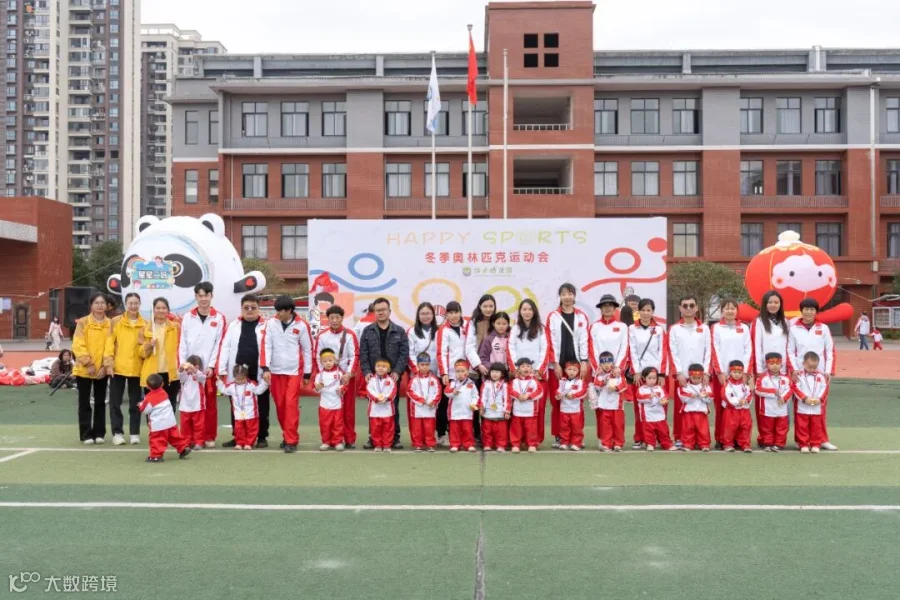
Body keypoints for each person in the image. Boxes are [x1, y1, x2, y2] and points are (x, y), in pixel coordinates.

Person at [261, 295, 313, 454]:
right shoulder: (271, 323)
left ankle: (291, 440)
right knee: (280, 406)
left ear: (289, 310)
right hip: (276, 371)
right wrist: (265, 368)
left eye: (280, 311)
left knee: (290, 405)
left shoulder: (302, 325)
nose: (277, 314)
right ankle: (287, 435)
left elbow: (308, 349)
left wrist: (307, 373)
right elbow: (266, 345)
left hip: (293, 372)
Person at [177, 282, 226, 449]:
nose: (203, 299)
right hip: (189, 370)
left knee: (209, 404)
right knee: (190, 405)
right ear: (196, 297)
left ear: (212, 296)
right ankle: (190, 438)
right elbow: (182, 342)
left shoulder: (218, 318)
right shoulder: (187, 317)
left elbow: (219, 344)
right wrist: (184, 364)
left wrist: (211, 366)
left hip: (207, 370)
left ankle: (208, 436)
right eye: (200, 295)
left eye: (206, 295)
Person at [218, 294, 270, 449]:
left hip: (259, 372)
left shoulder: (267, 326)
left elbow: (270, 348)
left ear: (259, 309)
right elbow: (225, 347)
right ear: (241, 309)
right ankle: (238, 437)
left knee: (262, 405)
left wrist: (267, 368)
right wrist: (221, 369)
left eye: (253, 307)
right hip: (238, 373)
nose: (250, 310)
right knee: (237, 404)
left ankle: (261, 436)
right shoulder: (233, 325)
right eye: (246, 307)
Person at [359, 297, 409, 450]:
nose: (380, 312)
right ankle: (373, 438)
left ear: (389, 311)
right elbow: (363, 353)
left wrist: (397, 371)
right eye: (377, 310)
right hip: (373, 378)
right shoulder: (367, 331)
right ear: (374, 312)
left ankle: (394, 437)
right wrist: (367, 371)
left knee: (393, 406)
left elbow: (403, 354)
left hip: (392, 377)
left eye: (383, 310)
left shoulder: (399, 331)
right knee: (374, 408)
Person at [787, 298, 838, 451]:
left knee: (820, 407)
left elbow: (830, 350)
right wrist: (794, 369)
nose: (809, 312)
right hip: (800, 374)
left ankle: (822, 439)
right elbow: (790, 351)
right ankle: (801, 440)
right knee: (800, 408)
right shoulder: (793, 329)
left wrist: (828, 371)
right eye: (806, 309)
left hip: (820, 374)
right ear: (801, 311)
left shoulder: (824, 328)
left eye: (812, 309)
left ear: (816, 311)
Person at [545, 283, 590, 448]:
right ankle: (559, 436)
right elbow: (549, 341)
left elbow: (584, 340)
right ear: (560, 296)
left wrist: (584, 361)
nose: (567, 297)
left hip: (576, 365)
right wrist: (555, 363)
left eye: (570, 294)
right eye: (564, 294)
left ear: (574, 296)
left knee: (577, 401)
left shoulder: (581, 316)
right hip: (557, 366)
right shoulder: (553, 316)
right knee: (557, 401)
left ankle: (577, 437)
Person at [668, 295, 711, 450]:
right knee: (681, 409)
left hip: (700, 377)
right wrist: (678, 372)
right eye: (685, 306)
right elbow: (672, 351)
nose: (688, 308)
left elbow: (708, 351)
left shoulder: (704, 328)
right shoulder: (674, 329)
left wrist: (706, 372)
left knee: (700, 409)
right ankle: (680, 437)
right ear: (680, 308)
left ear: (696, 308)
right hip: (683, 376)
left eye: (691, 305)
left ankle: (701, 439)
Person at [104, 293, 147, 446]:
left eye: (136, 303)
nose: (133, 306)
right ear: (125, 304)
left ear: (139, 304)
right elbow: (109, 343)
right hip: (118, 368)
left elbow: (145, 348)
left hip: (137, 368)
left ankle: (134, 433)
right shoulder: (115, 321)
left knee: (136, 403)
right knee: (115, 403)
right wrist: (108, 363)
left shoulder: (145, 324)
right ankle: (117, 433)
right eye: (130, 303)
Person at [315, 304, 359, 448]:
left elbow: (355, 355)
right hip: (329, 378)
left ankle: (349, 439)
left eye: (337, 317)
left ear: (342, 318)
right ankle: (329, 439)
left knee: (348, 410)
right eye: (332, 318)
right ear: (327, 319)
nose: (334, 320)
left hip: (346, 377)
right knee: (329, 411)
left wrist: (349, 374)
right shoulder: (322, 336)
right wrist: (323, 376)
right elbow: (317, 356)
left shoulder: (350, 334)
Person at [507, 299, 550, 444]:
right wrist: (515, 370)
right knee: (518, 408)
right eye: (524, 309)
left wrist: (538, 371)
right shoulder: (515, 329)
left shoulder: (541, 329)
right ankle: (518, 440)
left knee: (538, 408)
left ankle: (535, 440)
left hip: (537, 375)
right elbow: (511, 349)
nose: (527, 312)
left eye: (530, 309)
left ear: (534, 311)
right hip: (519, 376)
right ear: (520, 312)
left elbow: (545, 350)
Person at [711, 298, 752, 450]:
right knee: (722, 407)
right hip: (722, 375)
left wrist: (745, 372)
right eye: (726, 308)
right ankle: (721, 439)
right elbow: (715, 349)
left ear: (737, 311)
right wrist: (720, 372)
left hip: (740, 375)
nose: (730, 311)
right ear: (722, 310)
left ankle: (738, 440)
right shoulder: (716, 327)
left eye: (733, 308)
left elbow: (748, 350)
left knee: (740, 407)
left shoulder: (744, 328)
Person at [72, 292, 113, 445]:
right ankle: (86, 434)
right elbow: (78, 344)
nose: (100, 305)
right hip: (84, 369)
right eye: (97, 303)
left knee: (100, 402)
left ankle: (99, 433)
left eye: (102, 303)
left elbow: (111, 346)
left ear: (106, 306)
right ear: (91, 305)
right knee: (84, 402)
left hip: (102, 369)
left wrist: (105, 366)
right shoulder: (83, 322)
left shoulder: (111, 324)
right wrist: (88, 363)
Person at [628, 298, 667, 451]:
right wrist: (636, 371)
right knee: (640, 408)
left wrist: (661, 374)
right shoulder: (632, 328)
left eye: (648, 310)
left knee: (659, 405)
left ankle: (659, 438)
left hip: (655, 374)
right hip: (640, 375)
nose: (645, 313)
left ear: (653, 311)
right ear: (638, 311)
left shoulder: (659, 330)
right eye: (643, 310)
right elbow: (632, 350)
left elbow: (663, 352)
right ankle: (639, 438)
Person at [751, 290, 789, 448]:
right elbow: (756, 346)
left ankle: (779, 439)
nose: (773, 305)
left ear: (780, 304)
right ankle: (765, 438)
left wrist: (786, 369)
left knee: (781, 404)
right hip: (764, 370)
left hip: (781, 370)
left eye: (776, 302)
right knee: (764, 406)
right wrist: (759, 371)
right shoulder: (759, 321)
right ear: (764, 304)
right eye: (770, 302)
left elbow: (788, 346)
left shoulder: (785, 322)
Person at [139, 297, 181, 414]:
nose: (161, 310)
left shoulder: (175, 327)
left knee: (170, 404)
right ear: (153, 310)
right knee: (152, 406)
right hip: (152, 373)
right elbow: (141, 353)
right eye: (158, 308)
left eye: (164, 308)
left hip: (171, 373)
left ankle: (169, 426)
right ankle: (152, 426)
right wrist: (148, 345)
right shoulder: (146, 328)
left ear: (168, 310)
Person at [464, 294, 497, 444]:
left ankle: (490, 434)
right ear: (480, 307)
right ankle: (476, 433)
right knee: (475, 402)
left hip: (494, 369)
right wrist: (479, 365)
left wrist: (494, 367)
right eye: (485, 306)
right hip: (476, 370)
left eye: (491, 306)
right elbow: (469, 347)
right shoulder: (473, 322)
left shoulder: (497, 321)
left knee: (491, 401)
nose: (488, 309)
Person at [138, 373, 192, 463]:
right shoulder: (163, 393)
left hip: (158, 424)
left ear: (147, 386)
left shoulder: (148, 398)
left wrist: (140, 405)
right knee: (174, 437)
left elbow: (145, 410)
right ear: (162, 384)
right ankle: (183, 448)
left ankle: (156, 456)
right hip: (170, 421)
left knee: (157, 440)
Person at [219, 363, 269, 450]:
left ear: (246, 376)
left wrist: (265, 382)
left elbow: (259, 390)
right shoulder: (231, 386)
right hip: (238, 413)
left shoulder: (251, 385)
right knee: (238, 429)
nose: (240, 381)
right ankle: (239, 443)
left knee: (251, 429)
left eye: (242, 379)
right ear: (234, 377)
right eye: (237, 379)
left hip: (251, 413)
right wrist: (218, 382)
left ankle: (249, 443)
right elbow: (224, 390)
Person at [792, 351, 829, 454]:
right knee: (802, 426)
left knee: (816, 427)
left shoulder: (821, 377)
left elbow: (824, 389)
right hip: (802, 407)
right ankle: (803, 444)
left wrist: (819, 399)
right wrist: (804, 398)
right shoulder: (799, 376)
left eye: (814, 367)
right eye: (810, 367)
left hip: (816, 407)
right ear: (803, 363)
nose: (812, 369)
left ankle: (815, 444)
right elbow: (795, 388)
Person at [591, 351, 628, 452]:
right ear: (600, 364)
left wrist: (616, 388)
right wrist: (604, 381)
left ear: (613, 363)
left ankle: (618, 444)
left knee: (618, 425)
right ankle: (606, 444)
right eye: (603, 363)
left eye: (609, 362)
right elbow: (596, 385)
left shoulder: (618, 375)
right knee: (606, 426)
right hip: (605, 406)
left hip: (617, 406)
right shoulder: (599, 375)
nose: (606, 365)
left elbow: (624, 385)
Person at [755, 352, 792, 452]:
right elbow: (758, 389)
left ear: (781, 364)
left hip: (781, 408)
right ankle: (768, 443)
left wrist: (784, 398)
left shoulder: (786, 378)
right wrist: (773, 392)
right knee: (767, 428)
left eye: (777, 363)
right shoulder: (762, 378)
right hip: (768, 409)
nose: (775, 366)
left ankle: (779, 444)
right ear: (766, 364)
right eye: (771, 363)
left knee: (781, 428)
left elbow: (789, 390)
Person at [407, 352, 441, 452]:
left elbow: (438, 391)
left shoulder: (434, 379)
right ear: (418, 365)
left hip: (430, 407)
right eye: (422, 364)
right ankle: (418, 444)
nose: (425, 367)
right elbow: (410, 391)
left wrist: (434, 401)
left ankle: (430, 444)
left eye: (427, 364)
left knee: (429, 428)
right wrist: (420, 400)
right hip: (417, 408)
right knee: (417, 428)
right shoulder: (414, 379)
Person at [509, 357, 543, 453]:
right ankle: (515, 444)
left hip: (531, 411)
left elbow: (540, 391)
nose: (526, 368)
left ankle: (531, 444)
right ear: (518, 369)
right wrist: (518, 396)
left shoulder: (534, 381)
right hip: (517, 410)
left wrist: (529, 396)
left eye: (528, 366)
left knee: (531, 429)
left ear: (531, 369)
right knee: (516, 429)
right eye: (523, 366)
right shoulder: (514, 381)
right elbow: (510, 391)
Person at [315, 347, 346, 452]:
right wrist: (318, 387)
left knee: (337, 424)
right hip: (324, 405)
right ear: (321, 362)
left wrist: (341, 390)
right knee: (325, 424)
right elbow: (317, 389)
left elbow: (344, 385)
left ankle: (337, 442)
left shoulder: (340, 373)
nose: (328, 363)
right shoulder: (319, 375)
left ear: (334, 360)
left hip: (337, 404)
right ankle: (326, 442)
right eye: (325, 361)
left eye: (330, 360)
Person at [677, 364, 713, 452]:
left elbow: (711, 397)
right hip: (689, 412)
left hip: (701, 412)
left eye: (699, 378)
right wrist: (691, 396)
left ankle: (704, 444)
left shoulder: (706, 386)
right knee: (688, 430)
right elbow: (682, 395)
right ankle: (688, 444)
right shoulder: (685, 386)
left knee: (703, 430)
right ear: (689, 376)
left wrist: (705, 396)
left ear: (702, 377)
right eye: (694, 378)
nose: (696, 380)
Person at [445, 359, 478, 453]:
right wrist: (453, 392)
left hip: (467, 411)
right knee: (454, 430)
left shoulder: (471, 384)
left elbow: (475, 395)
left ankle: (469, 444)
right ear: (455, 373)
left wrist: (474, 403)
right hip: (454, 412)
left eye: (463, 371)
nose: (460, 373)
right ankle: (455, 444)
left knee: (467, 429)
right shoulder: (452, 383)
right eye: (458, 371)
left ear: (467, 372)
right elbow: (446, 392)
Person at [636, 367, 673, 451]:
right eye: (649, 378)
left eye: (654, 378)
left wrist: (664, 400)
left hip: (659, 414)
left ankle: (667, 444)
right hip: (647, 415)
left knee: (663, 430)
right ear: (644, 378)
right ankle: (650, 444)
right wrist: (649, 396)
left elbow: (665, 396)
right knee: (648, 431)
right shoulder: (641, 389)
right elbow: (639, 398)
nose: (652, 380)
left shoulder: (659, 388)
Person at [365, 358, 397, 452]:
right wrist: (376, 398)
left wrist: (387, 398)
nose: (380, 368)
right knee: (375, 428)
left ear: (389, 369)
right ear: (375, 368)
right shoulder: (371, 380)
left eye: (384, 366)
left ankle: (387, 445)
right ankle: (377, 445)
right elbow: (369, 391)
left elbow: (393, 392)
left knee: (388, 428)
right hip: (375, 409)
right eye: (378, 366)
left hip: (387, 409)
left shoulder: (391, 380)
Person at [721, 360, 753, 453]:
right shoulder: (727, 384)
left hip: (744, 410)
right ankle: (728, 444)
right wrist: (736, 402)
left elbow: (749, 394)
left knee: (745, 427)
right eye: (734, 372)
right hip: (731, 410)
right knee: (729, 428)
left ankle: (745, 444)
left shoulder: (745, 384)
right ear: (730, 372)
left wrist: (746, 401)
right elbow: (725, 396)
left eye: (739, 372)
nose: (737, 374)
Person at [555, 361, 587, 451]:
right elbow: (558, 390)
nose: (572, 372)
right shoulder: (562, 381)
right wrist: (558, 395)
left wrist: (574, 395)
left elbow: (583, 392)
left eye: (574, 370)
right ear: (565, 370)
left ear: (578, 371)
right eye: (569, 369)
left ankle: (576, 443)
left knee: (576, 427)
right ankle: (564, 442)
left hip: (576, 409)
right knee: (564, 427)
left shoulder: (580, 381)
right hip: (564, 409)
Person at [479, 362, 511, 453]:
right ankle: (487, 444)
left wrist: (507, 411)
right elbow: (483, 397)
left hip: (500, 412)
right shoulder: (486, 383)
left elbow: (507, 398)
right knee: (487, 430)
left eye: (497, 372)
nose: (494, 374)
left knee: (501, 431)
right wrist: (481, 407)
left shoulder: (505, 385)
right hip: (488, 411)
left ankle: (501, 445)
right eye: (492, 372)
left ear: (502, 374)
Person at [177, 355, 207, 451]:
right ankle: (186, 442)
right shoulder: (186, 375)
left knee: (198, 425)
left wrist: (195, 371)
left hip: (198, 405)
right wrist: (181, 370)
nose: (193, 367)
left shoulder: (201, 375)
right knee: (185, 426)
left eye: (195, 365)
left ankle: (199, 442)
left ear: (199, 366)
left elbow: (201, 378)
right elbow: (181, 378)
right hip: (185, 405)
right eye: (191, 364)